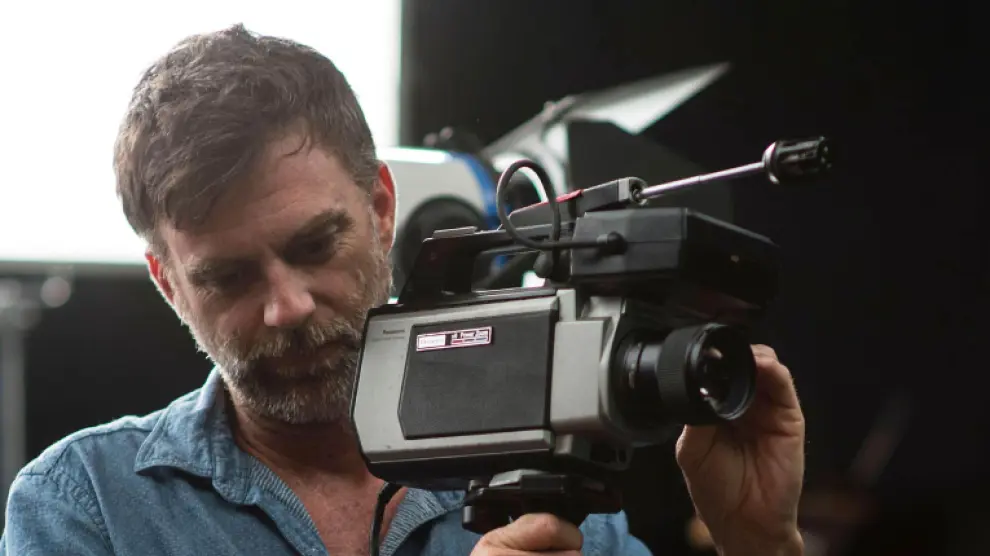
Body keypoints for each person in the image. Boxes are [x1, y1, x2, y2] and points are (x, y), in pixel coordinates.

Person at [0, 24, 806, 556]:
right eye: (227, 277)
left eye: (316, 245)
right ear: (169, 284)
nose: (288, 307)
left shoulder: (553, 480)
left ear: (382, 208)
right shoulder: (86, 508)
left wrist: (760, 544)